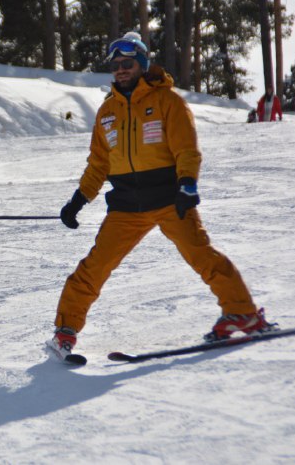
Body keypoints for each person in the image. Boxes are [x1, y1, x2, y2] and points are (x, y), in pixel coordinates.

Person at [50, 32, 275, 359]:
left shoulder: (168, 102)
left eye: (127, 64)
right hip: (126, 206)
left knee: (202, 257)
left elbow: (186, 150)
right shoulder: (107, 112)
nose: (121, 70)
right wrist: (78, 200)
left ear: (141, 64)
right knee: (93, 268)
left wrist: (187, 185)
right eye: (116, 66)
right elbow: (99, 164)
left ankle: (242, 313)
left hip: (170, 199)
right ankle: (65, 331)